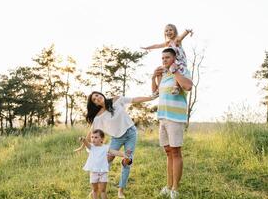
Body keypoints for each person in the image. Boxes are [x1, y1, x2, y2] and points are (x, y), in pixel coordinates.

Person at [75, 91, 154, 198]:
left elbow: (134, 99)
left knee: (127, 160)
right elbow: (91, 131)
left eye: (97, 95)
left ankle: (121, 190)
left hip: (131, 133)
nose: (97, 98)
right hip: (116, 138)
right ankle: (96, 188)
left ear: (101, 95)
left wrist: (150, 98)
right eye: (94, 99)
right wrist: (82, 146)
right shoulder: (99, 117)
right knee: (106, 160)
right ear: (95, 104)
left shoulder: (116, 100)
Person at [151, 47, 193, 199]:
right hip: (163, 117)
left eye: (167, 57)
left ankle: (175, 188)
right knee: (168, 152)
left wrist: (175, 71)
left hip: (175, 118)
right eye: (162, 58)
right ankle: (168, 185)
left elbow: (188, 86)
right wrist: (153, 78)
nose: (164, 60)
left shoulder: (181, 71)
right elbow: (155, 93)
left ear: (174, 58)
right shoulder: (164, 74)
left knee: (176, 152)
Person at [141, 23, 193, 96]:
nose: (168, 32)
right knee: (159, 70)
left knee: (174, 69)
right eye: (166, 31)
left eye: (170, 30)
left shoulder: (177, 40)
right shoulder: (167, 43)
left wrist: (188, 31)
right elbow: (157, 45)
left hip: (179, 62)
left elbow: (182, 36)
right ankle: (159, 89)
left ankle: (176, 87)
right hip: (172, 62)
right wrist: (147, 48)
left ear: (175, 31)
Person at [80, 129, 129, 199]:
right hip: (94, 172)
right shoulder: (92, 147)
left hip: (103, 172)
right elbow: (87, 144)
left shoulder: (105, 147)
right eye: (92, 137)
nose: (93, 139)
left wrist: (123, 154)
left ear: (102, 139)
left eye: (96, 137)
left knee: (103, 190)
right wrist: (84, 140)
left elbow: (114, 152)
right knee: (94, 189)